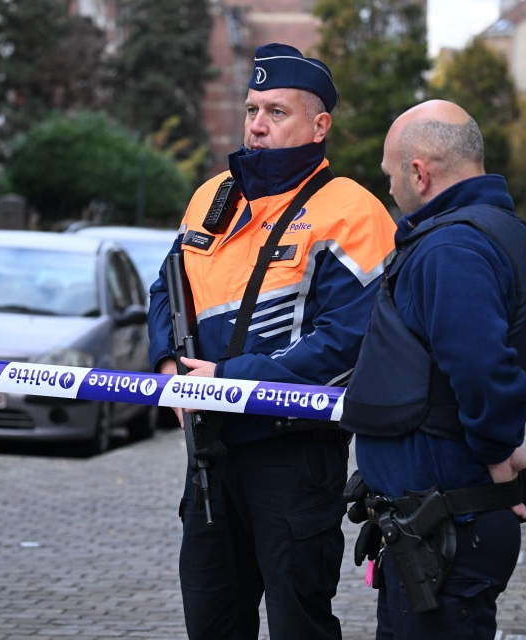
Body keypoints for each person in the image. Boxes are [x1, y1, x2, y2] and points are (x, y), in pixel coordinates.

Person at [147, 43, 396, 640]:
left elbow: (349, 344)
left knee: (298, 624)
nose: (257, 125)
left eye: (277, 112)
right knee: (210, 619)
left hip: (294, 455)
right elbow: (165, 287)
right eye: (252, 108)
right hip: (210, 450)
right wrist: (166, 365)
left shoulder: (354, 213)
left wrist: (229, 381)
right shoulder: (212, 197)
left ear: (319, 124)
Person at [340, 99, 526, 639]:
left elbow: (483, 369)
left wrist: (493, 450)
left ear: (419, 172)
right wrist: (502, 442)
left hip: (446, 524)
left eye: (391, 175)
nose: (390, 191)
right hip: (447, 520)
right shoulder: (523, 242)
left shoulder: (452, 247)